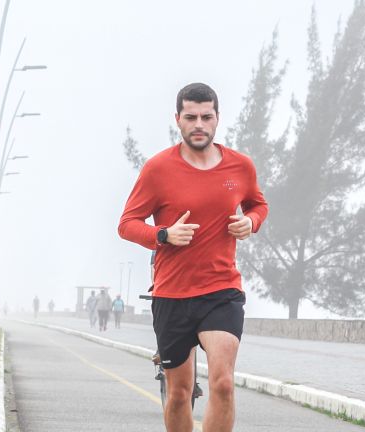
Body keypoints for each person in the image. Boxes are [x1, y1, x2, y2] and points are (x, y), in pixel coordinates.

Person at [118, 83, 268, 432]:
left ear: (217, 119)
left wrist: (251, 222)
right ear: (178, 120)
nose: (198, 124)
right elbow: (126, 224)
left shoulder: (240, 167)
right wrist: (163, 235)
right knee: (180, 393)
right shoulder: (158, 170)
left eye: (206, 117)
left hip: (221, 291)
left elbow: (259, 205)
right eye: (190, 117)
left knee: (223, 383)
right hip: (172, 295)